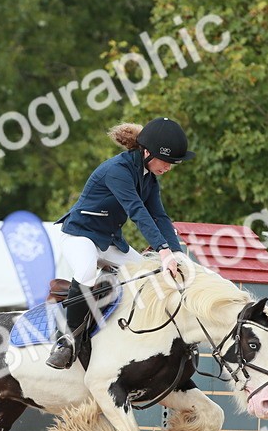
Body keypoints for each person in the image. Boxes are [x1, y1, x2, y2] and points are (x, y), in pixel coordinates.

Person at [46, 117, 194, 370]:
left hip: (109, 240)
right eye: (167, 161)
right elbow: (137, 211)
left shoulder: (149, 178)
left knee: (148, 274)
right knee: (85, 271)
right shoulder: (118, 171)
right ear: (147, 152)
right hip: (79, 235)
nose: (169, 167)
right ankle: (67, 341)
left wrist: (177, 255)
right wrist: (163, 251)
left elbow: (159, 216)